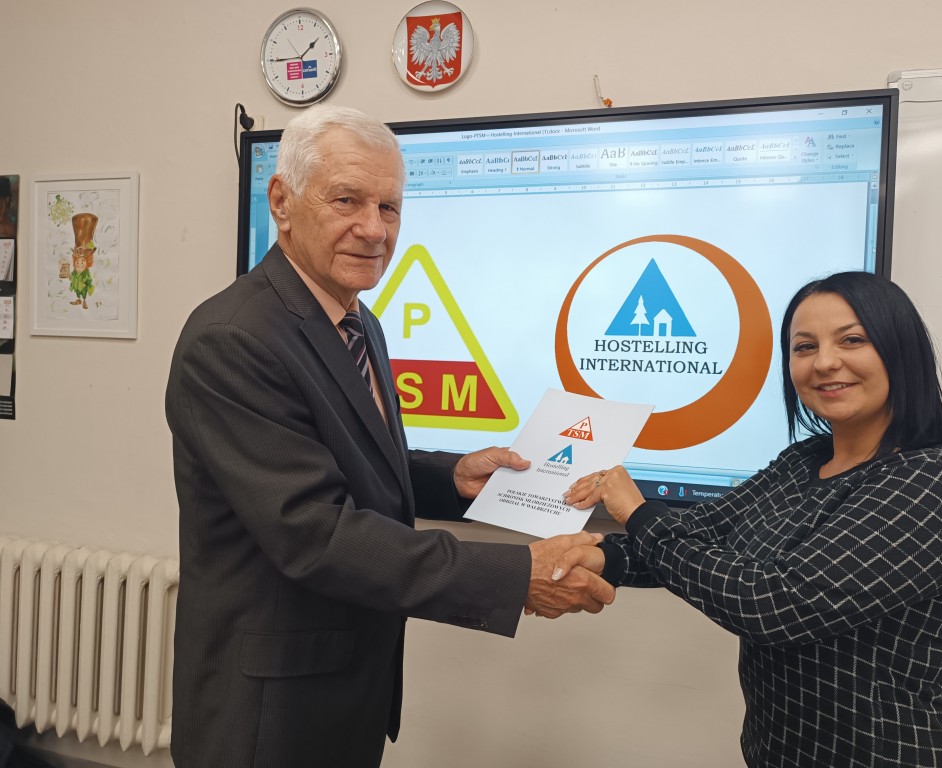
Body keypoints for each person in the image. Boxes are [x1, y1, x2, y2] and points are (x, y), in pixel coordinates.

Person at [165, 104, 614, 768]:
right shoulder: (233, 339)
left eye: (390, 208)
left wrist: (450, 477)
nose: (374, 229)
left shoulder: (357, 320)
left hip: (347, 687)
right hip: (269, 710)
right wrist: (518, 574)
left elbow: (341, 456)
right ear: (281, 202)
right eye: (347, 200)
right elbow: (315, 532)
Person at [560, 271, 942, 767]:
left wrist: (638, 512)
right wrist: (599, 557)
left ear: (901, 351)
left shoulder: (933, 484)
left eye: (852, 340)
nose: (824, 362)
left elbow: (776, 604)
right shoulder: (804, 461)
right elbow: (702, 533)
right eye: (804, 347)